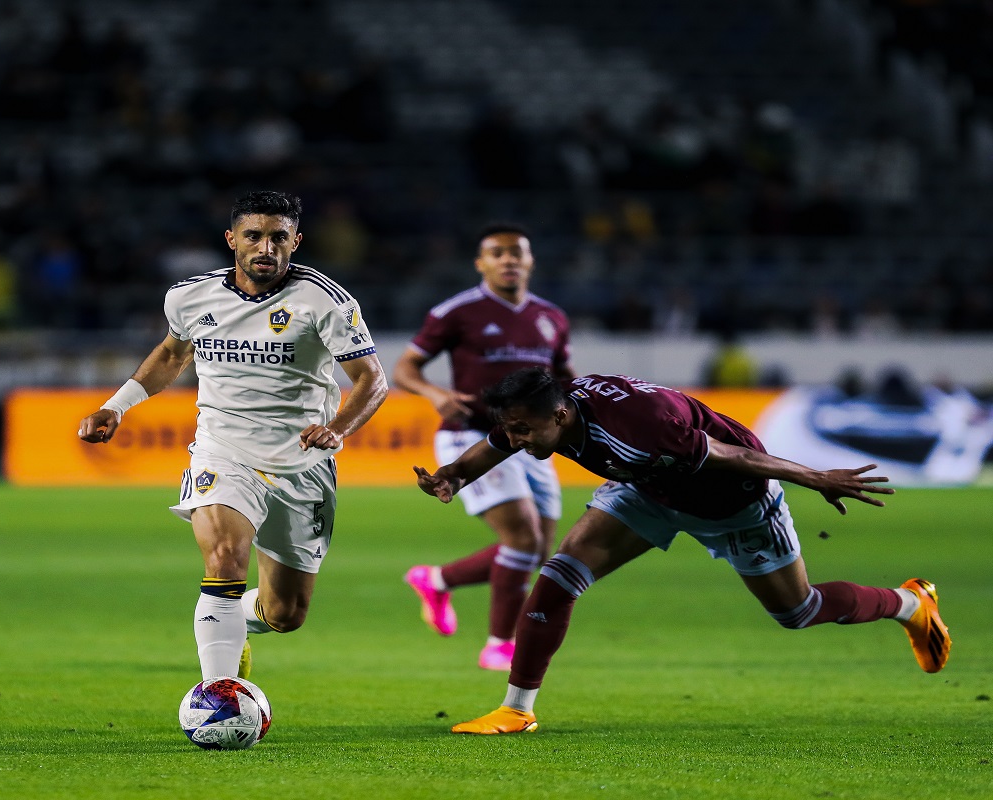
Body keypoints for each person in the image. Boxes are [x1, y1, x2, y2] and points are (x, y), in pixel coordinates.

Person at [415, 367, 951, 734]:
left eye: (524, 431)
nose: (518, 440)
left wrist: (814, 476)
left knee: (799, 610)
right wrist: (454, 477)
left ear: (558, 417)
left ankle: (909, 604)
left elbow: (732, 456)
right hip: (647, 489)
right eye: (513, 429)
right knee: (559, 578)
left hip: (730, 500)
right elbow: (500, 440)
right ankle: (516, 711)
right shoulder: (548, 410)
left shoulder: (640, 430)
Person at [79, 190, 388, 681]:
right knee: (224, 558)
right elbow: (172, 356)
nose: (266, 248)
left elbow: (373, 379)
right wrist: (116, 406)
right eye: (254, 236)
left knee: (285, 614)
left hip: (301, 465)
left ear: (296, 242)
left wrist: (335, 429)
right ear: (232, 240)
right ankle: (217, 695)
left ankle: (234, 623)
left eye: (279, 238)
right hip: (223, 451)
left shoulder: (324, 301)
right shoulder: (189, 297)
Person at [393, 222, 574, 671]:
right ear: (482, 263)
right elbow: (405, 369)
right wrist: (436, 395)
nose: (509, 260)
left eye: (517, 252)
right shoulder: (458, 312)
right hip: (473, 435)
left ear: (530, 261)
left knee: (537, 549)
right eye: (498, 253)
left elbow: (565, 379)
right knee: (522, 538)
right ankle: (500, 644)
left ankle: (436, 580)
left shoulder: (551, 317)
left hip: (531, 443)